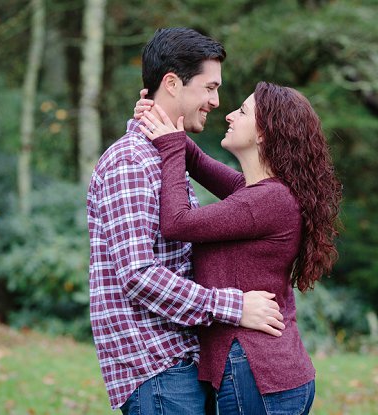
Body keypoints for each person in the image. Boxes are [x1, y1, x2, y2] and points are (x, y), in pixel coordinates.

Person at [87, 27, 286, 414]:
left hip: (181, 363)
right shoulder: (131, 161)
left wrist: (174, 142)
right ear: (173, 83)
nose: (215, 101)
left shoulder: (163, 157)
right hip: (157, 366)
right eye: (209, 87)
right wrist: (233, 306)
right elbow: (139, 275)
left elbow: (248, 195)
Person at [134, 81, 342, 414]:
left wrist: (171, 143)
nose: (229, 115)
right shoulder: (262, 193)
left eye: (242, 111)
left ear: (264, 133)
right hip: (267, 376)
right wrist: (161, 116)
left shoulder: (266, 201)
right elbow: (197, 162)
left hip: (257, 375)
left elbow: (177, 223)